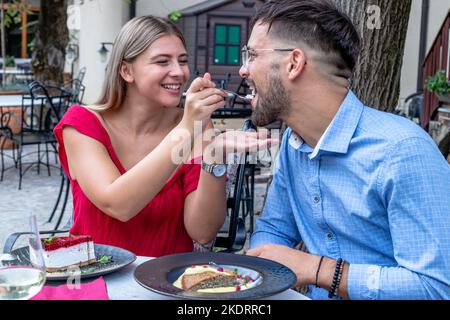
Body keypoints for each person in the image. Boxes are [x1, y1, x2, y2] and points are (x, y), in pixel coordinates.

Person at [244, 0, 450, 299]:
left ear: (293, 63)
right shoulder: (294, 145)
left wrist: (320, 270)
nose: (243, 69)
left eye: (251, 55)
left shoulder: (403, 152)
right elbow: (274, 231)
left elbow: (437, 287)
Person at [54, 16, 274, 257]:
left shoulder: (197, 126)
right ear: (127, 71)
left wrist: (214, 157)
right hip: (97, 280)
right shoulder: (82, 123)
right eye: (162, 62)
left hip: (168, 281)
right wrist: (186, 129)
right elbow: (118, 205)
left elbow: (202, 232)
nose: (179, 72)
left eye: (183, 61)